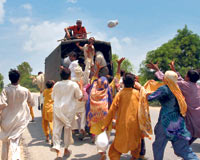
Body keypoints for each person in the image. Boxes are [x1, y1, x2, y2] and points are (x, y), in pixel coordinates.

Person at [146, 70, 198, 160]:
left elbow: (149, 98)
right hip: (179, 124)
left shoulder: (165, 88)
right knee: (183, 149)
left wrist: (141, 89)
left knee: (158, 147)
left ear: (166, 79)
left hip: (165, 123)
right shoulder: (180, 89)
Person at [102, 73, 143, 160]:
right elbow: (144, 108)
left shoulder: (119, 94)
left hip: (122, 123)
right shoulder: (138, 94)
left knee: (117, 146)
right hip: (135, 124)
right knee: (135, 142)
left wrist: (105, 124)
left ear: (123, 82)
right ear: (134, 83)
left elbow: (112, 110)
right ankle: (134, 157)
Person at [0, 69, 34, 160]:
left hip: (6, 120)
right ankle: (15, 157)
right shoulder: (25, 90)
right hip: (20, 121)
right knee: (15, 141)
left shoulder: (5, 90)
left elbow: (1, 104)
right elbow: (32, 102)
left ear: (9, 79)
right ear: (19, 79)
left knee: (5, 142)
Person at [51, 67, 83, 158]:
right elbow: (79, 97)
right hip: (69, 110)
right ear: (69, 76)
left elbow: (53, 97)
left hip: (58, 110)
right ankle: (66, 149)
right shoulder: (73, 85)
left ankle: (57, 150)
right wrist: (80, 85)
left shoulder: (56, 84)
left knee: (57, 129)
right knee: (67, 129)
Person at [42, 80, 55, 145]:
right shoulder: (54, 90)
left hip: (45, 108)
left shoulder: (45, 91)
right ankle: (53, 138)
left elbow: (44, 95)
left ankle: (47, 136)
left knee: (45, 123)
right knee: (52, 123)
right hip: (51, 108)